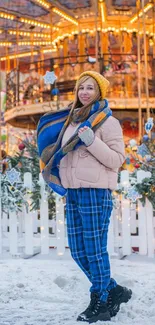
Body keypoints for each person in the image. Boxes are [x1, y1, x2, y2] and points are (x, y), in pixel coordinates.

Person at [37, 71, 132, 324]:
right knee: (79, 252)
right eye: (81, 88)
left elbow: (116, 160)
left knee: (95, 251)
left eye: (90, 88)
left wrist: (92, 142)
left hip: (96, 193)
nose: (85, 93)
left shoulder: (107, 122)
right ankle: (114, 290)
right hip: (74, 193)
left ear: (99, 92)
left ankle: (100, 300)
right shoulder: (71, 121)